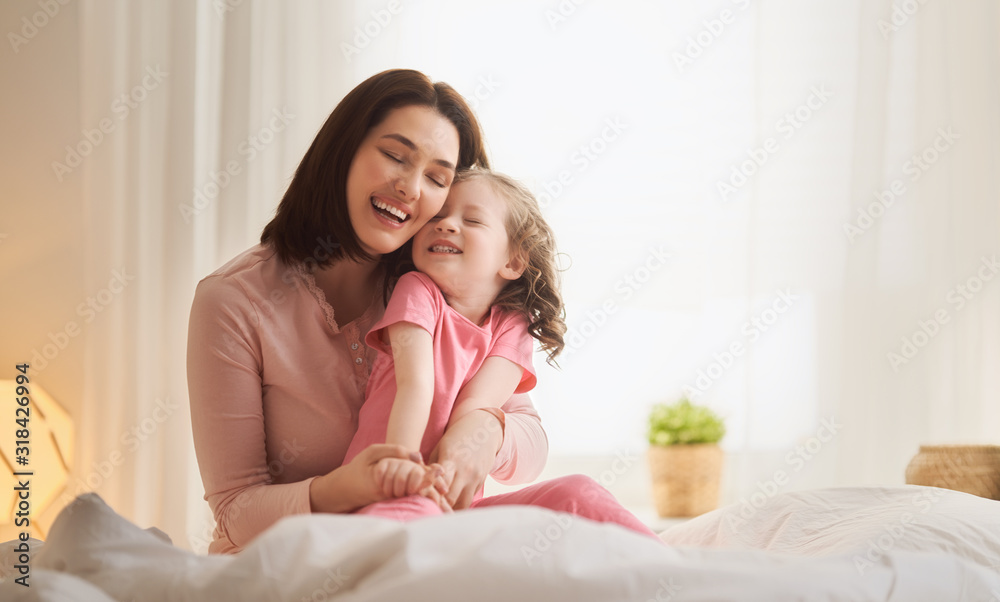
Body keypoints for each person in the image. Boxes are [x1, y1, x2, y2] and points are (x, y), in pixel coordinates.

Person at [187, 69, 657, 555]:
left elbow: (529, 444)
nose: (411, 188)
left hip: (442, 535)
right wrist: (351, 486)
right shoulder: (235, 301)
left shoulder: (448, 285)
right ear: (343, 151)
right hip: (300, 560)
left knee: (577, 499)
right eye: (394, 155)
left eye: (437, 178)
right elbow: (235, 510)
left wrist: (486, 432)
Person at [341, 169, 567, 515]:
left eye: (473, 220)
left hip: (451, 501)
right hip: (387, 488)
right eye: (438, 216)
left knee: (578, 493)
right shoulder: (418, 290)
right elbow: (415, 384)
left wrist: (442, 478)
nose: (446, 225)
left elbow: (476, 407)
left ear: (513, 261)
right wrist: (401, 463)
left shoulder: (513, 323)